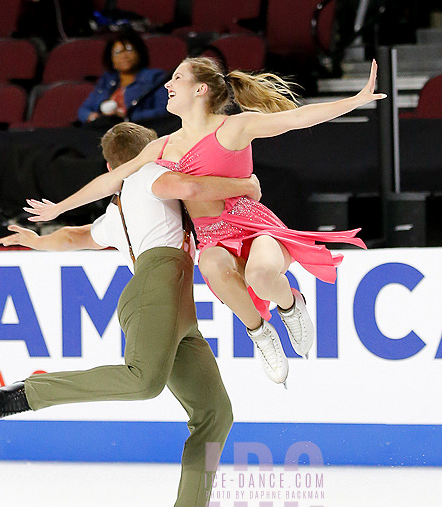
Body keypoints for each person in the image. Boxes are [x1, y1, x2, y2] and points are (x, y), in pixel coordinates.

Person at [0, 122, 262, 507]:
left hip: (175, 302)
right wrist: (245, 181)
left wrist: (39, 242)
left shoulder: (127, 203)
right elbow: (192, 182)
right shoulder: (148, 177)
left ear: (110, 165)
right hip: (156, 290)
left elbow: (79, 237)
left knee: (215, 412)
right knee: (143, 381)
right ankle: (31, 392)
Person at [24, 60, 386, 388]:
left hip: (255, 228)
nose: (168, 83)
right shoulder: (163, 147)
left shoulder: (234, 128)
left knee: (261, 276)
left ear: (201, 89)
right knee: (211, 263)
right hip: (213, 239)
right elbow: (112, 180)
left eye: (177, 77)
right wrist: (60, 207)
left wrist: (355, 100)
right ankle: (260, 334)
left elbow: (296, 119)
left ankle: (291, 304)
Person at [77, 30, 168, 123]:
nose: (124, 55)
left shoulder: (155, 77)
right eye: (117, 52)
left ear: (139, 53)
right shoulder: (107, 80)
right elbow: (83, 110)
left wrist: (127, 117)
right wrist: (95, 118)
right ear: (111, 60)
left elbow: (163, 110)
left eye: (129, 49)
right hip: (105, 129)